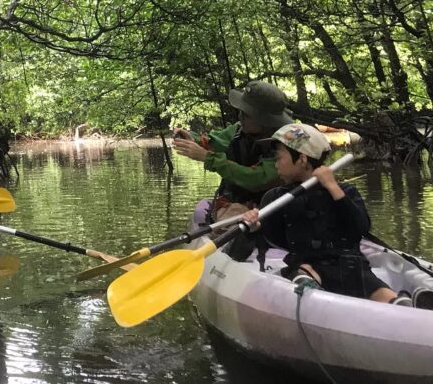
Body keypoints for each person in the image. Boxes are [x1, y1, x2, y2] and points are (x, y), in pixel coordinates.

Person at [242, 123, 410, 305]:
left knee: (374, 287)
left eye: (279, 158)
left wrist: (332, 187)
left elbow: (360, 228)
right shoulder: (276, 197)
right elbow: (276, 240)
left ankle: (401, 304)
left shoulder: (344, 191)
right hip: (309, 266)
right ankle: (311, 294)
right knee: (303, 272)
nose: (276, 165)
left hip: (350, 266)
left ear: (302, 159)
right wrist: (256, 227)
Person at [173, 80, 292, 222]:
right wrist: (192, 139)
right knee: (218, 211)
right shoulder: (238, 129)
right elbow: (216, 141)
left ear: (264, 120)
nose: (240, 117)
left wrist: (208, 158)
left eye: (246, 114)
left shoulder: (285, 144)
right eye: (240, 112)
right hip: (238, 203)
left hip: (269, 209)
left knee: (234, 215)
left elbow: (258, 179)